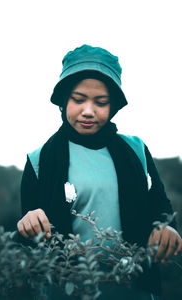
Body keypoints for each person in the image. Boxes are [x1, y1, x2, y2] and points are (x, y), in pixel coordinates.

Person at [17, 45, 182, 299]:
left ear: (113, 106)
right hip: (66, 291)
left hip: (134, 289)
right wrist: (28, 222)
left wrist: (167, 228)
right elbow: (31, 236)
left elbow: (160, 206)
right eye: (78, 99)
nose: (88, 111)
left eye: (101, 102)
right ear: (63, 100)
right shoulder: (39, 160)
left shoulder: (136, 150)